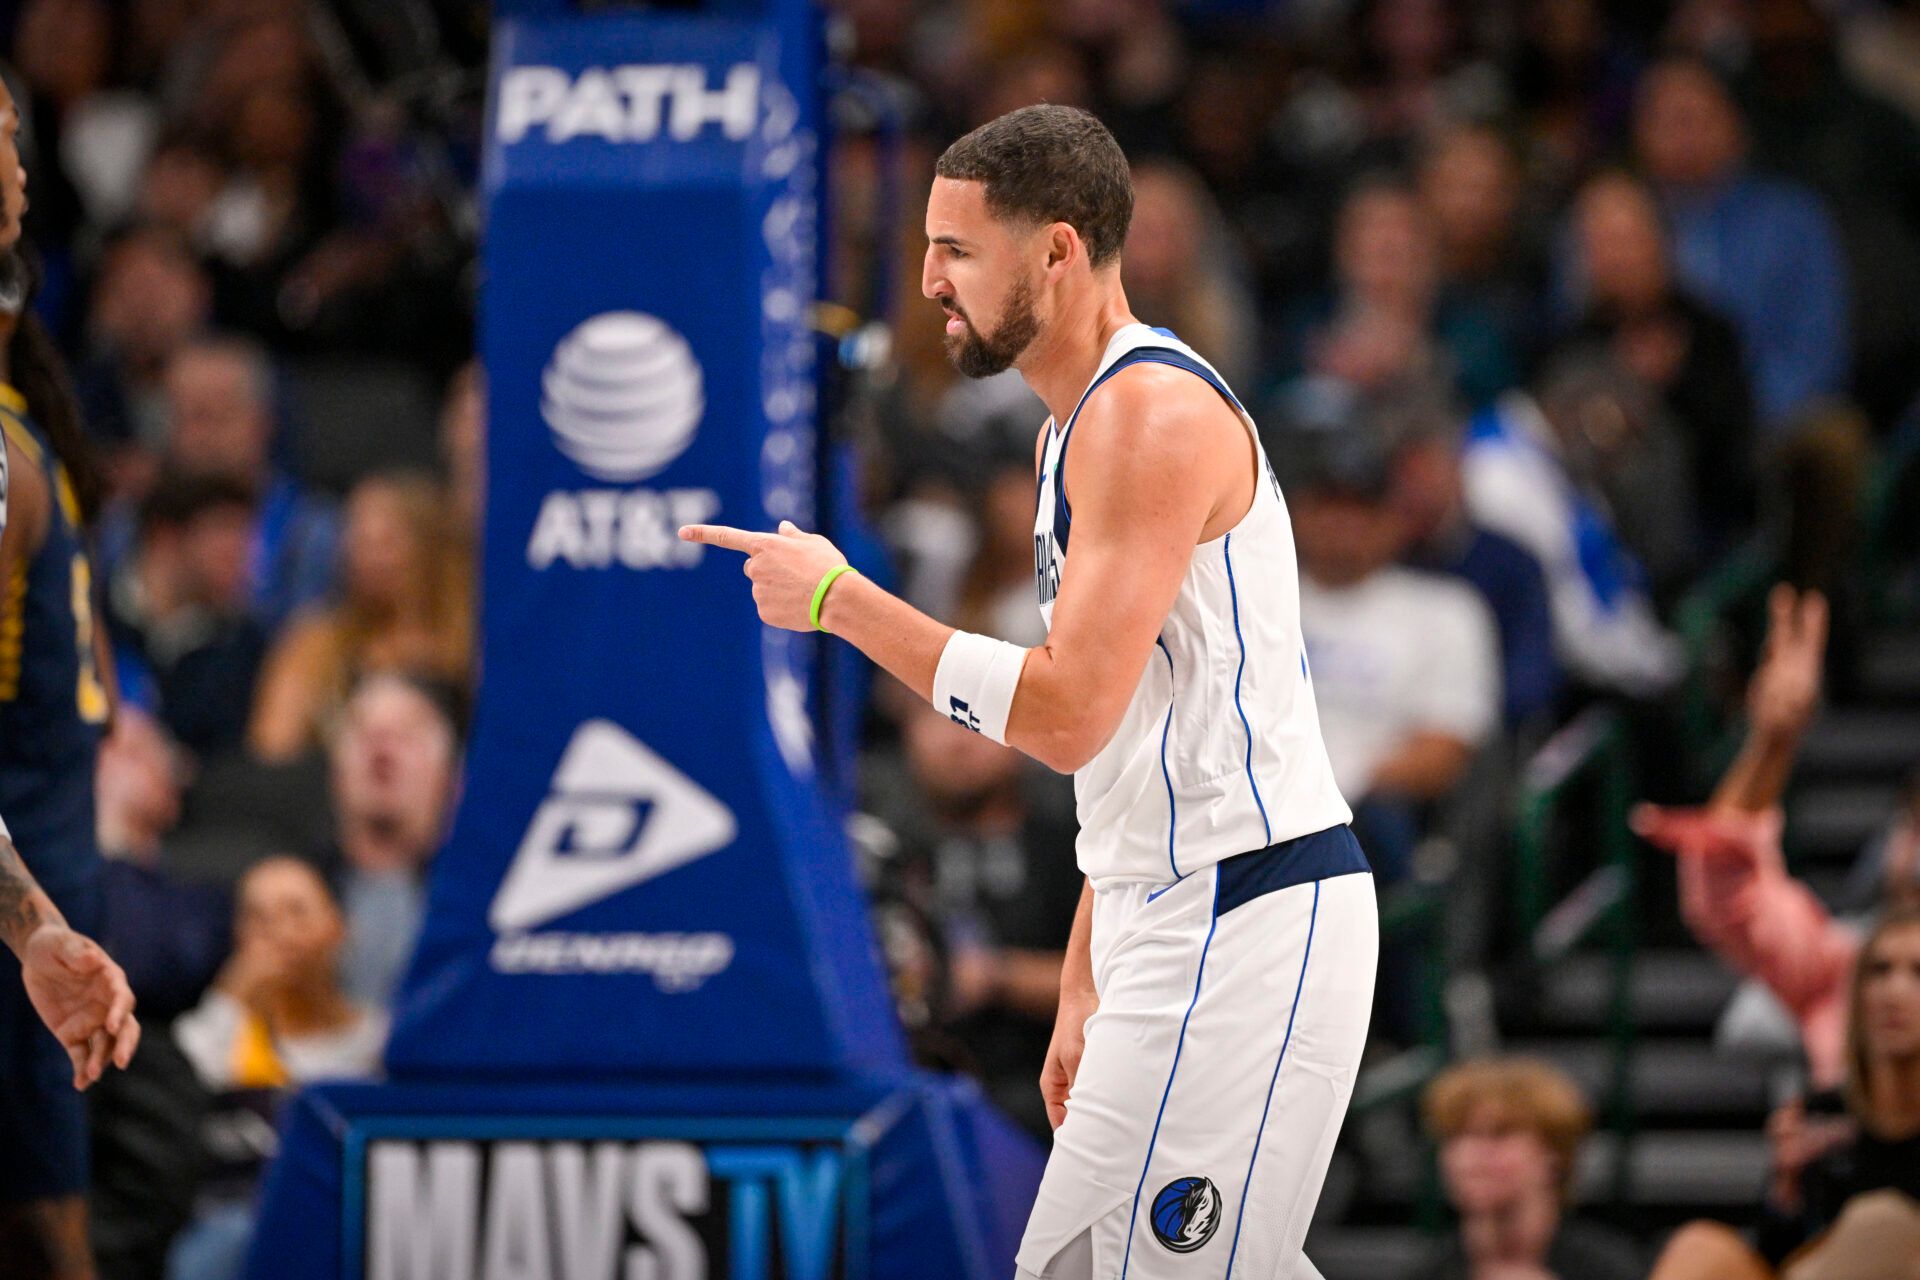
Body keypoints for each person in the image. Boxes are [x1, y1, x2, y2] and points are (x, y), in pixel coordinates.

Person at [683, 104, 1376, 1279]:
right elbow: (1135, 746)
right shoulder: (1076, 428)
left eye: (957, 248)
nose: (927, 279)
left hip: (1250, 910)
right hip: (1164, 909)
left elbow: (1066, 713)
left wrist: (840, 600)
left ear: (1056, 251)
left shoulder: (1150, 414)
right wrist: (1086, 962)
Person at [0, 75, 142, 1280]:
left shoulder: (19, 434)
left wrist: (36, 921)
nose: (24, 163)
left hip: (42, 851)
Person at [1647, 905, 1920, 1280]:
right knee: (1700, 1246)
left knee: (1880, 1223)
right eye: (1880, 971)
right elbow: (1772, 1257)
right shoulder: (1824, 1111)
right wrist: (1785, 1189)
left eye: (1918, 973)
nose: (1894, 992)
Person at [169, 856, 386, 1280]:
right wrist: (230, 997)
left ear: (338, 927)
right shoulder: (222, 1031)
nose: (279, 933)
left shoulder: (377, 1041)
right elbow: (174, 1087)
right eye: (258, 918)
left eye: (296, 912)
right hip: (237, 1222)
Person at [247, 471, 472, 761]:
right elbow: (272, 752)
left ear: (428, 546)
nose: (369, 558)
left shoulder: (470, 645)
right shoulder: (316, 644)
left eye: (386, 542)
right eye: (359, 541)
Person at [1417, 1057, 1645, 1280]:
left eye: (1499, 1135)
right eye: (1456, 1136)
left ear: (1553, 1152)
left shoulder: (1609, 1267)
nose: (1470, 1155)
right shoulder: (1427, 1270)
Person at [318, 673, 462, 1009]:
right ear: (336, 773)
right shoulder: (297, 889)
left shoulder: (486, 901)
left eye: (406, 734)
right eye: (364, 732)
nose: (381, 744)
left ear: (452, 776)